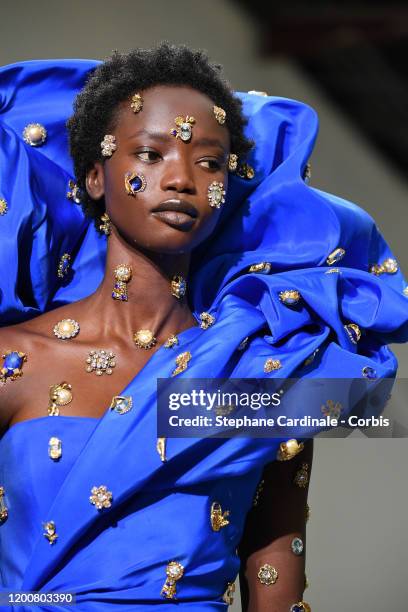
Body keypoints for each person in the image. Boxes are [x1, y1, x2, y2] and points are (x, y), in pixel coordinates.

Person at [0, 43, 406, 611]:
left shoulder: (262, 375)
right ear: (95, 176)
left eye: (210, 162)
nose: (183, 179)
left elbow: (278, 595)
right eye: (149, 153)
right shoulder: (14, 360)